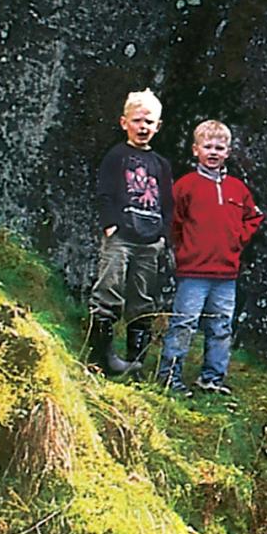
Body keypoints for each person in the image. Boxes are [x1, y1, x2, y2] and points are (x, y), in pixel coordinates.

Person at [155, 119, 263, 397]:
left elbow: (254, 217)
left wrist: (238, 239)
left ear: (228, 151)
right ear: (195, 150)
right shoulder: (186, 186)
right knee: (184, 323)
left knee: (221, 326)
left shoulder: (238, 189)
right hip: (193, 272)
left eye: (219, 147)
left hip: (226, 274)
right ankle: (169, 377)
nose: (213, 152)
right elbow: (173, 221)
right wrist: (184, 249)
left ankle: (212, 378)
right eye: (207, 147)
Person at [85, 88, 174, 380]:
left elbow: (167, 202)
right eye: (137, 121)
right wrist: (110, 224)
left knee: (143, 300)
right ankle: (100, 358)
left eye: (149, 122)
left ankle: (136, 364)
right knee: (108, 290)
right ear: (124, 122)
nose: (143, 127)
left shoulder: (161, 164)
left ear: (158, 126)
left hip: (150, 241)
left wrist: (164, 235)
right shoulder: (116, 155)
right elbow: (104, 193)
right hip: (121, 236)